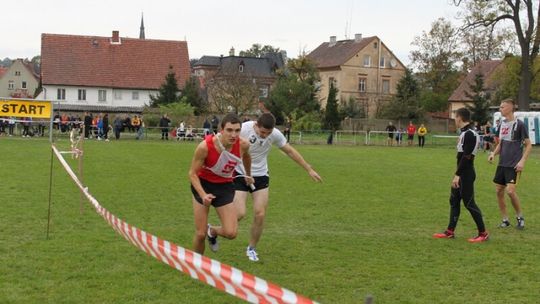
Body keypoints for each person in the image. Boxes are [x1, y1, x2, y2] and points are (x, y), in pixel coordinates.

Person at [233, 113, 323, 261]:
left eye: (268, 133)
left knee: (260, 214)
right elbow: (223, 138)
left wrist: (309, 169)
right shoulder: (244, 129)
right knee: (239, 214)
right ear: (256, 125)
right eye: (262, 132)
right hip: (240, 173)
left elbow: (290, 151)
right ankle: (215, 231)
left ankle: (251, 248)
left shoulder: (275, 134)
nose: (265, 136)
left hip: (261, 175)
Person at [189, 113, 253, 255]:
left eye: (237, 130)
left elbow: (247, 156)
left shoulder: (243, 145)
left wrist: (249, 174)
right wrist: (203, 195)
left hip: (224, 187)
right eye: (229, 130)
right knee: (200, 234)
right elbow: (192, 174)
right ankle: (196, 266)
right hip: (203, 185)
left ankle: (212, 231)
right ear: (221, 130)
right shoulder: (205, 147)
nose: (233, 135)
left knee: (231, 233)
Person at [434, 107, 489, 243]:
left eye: (455, 117)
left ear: (460, 118)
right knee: (454, 201)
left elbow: (467, 157)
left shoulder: (469, 133)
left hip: (466, 174)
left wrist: (458, 175)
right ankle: (450, 231)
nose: (454, 120)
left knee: (469, 203)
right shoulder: (464, 133)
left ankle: (483, 233)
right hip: (461, 172)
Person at [488, 99, 532, 229]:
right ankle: (505, 219)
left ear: (510, 108)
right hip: (502, 164)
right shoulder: (502, 124)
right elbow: (501, 144)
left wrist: (522, 161)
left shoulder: (520, 125)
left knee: (510, 191)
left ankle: (520, 217)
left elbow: (529, 145)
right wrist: (492, 154)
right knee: (498, 191)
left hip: (514, 165)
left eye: (502, 107)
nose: (500, 109)